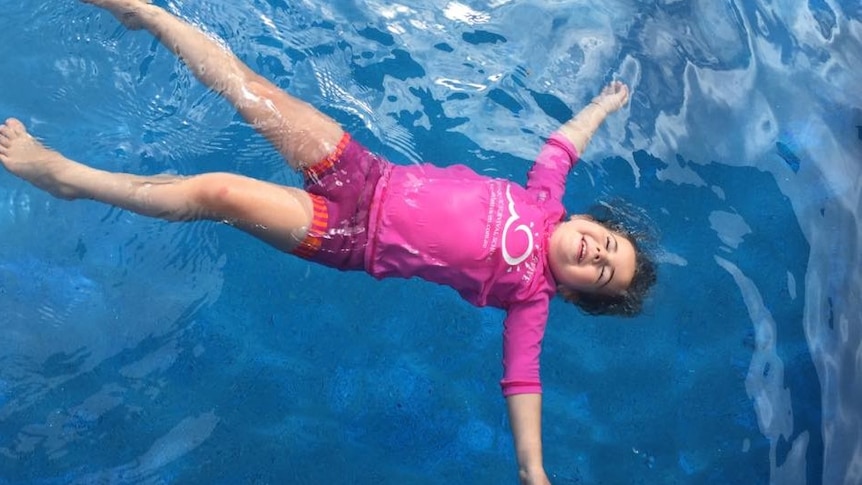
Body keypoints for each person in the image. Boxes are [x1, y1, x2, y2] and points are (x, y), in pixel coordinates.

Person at [0, 1, 656, 483]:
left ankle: (68, 179)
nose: (596, 254)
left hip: (349, 237)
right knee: (251, 89)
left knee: (218, 195)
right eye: (606, 244)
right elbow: (562, 145)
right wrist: (601, 107)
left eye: (600, 273)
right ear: (592, 223)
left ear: (573, 293)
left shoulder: (529, 300)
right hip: (364, 170)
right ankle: (148, 13)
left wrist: (533, 470)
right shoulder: (545, 197)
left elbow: (523, 381)